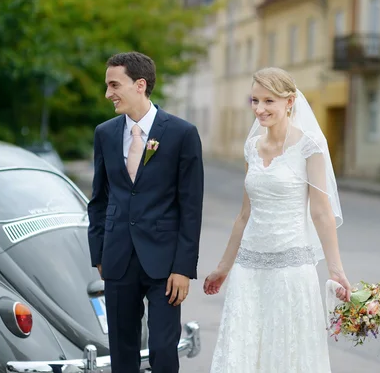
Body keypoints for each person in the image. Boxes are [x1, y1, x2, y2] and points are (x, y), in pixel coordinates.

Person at [204, 67, 351, 372]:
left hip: (292, 268)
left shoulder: (309, 147)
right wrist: (224, 267)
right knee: (243, 350)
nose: (259, 109)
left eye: (268, 101)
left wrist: (336, 269)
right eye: (255, 100)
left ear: (289, 101)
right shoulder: (252, 147)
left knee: (287, 353)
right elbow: (245, 213)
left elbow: (321, 211)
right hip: (249, 268)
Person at [87, 51, 204, 373]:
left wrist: (184, 267)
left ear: (140, 85)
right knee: (122, 348)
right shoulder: (105, 133)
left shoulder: (182, 133)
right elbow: (98, 199)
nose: (108, 93)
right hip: (117, 258)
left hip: (165, 263)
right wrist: (98, 253)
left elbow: (191, 207)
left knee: (163, 349)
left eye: (114, 85)